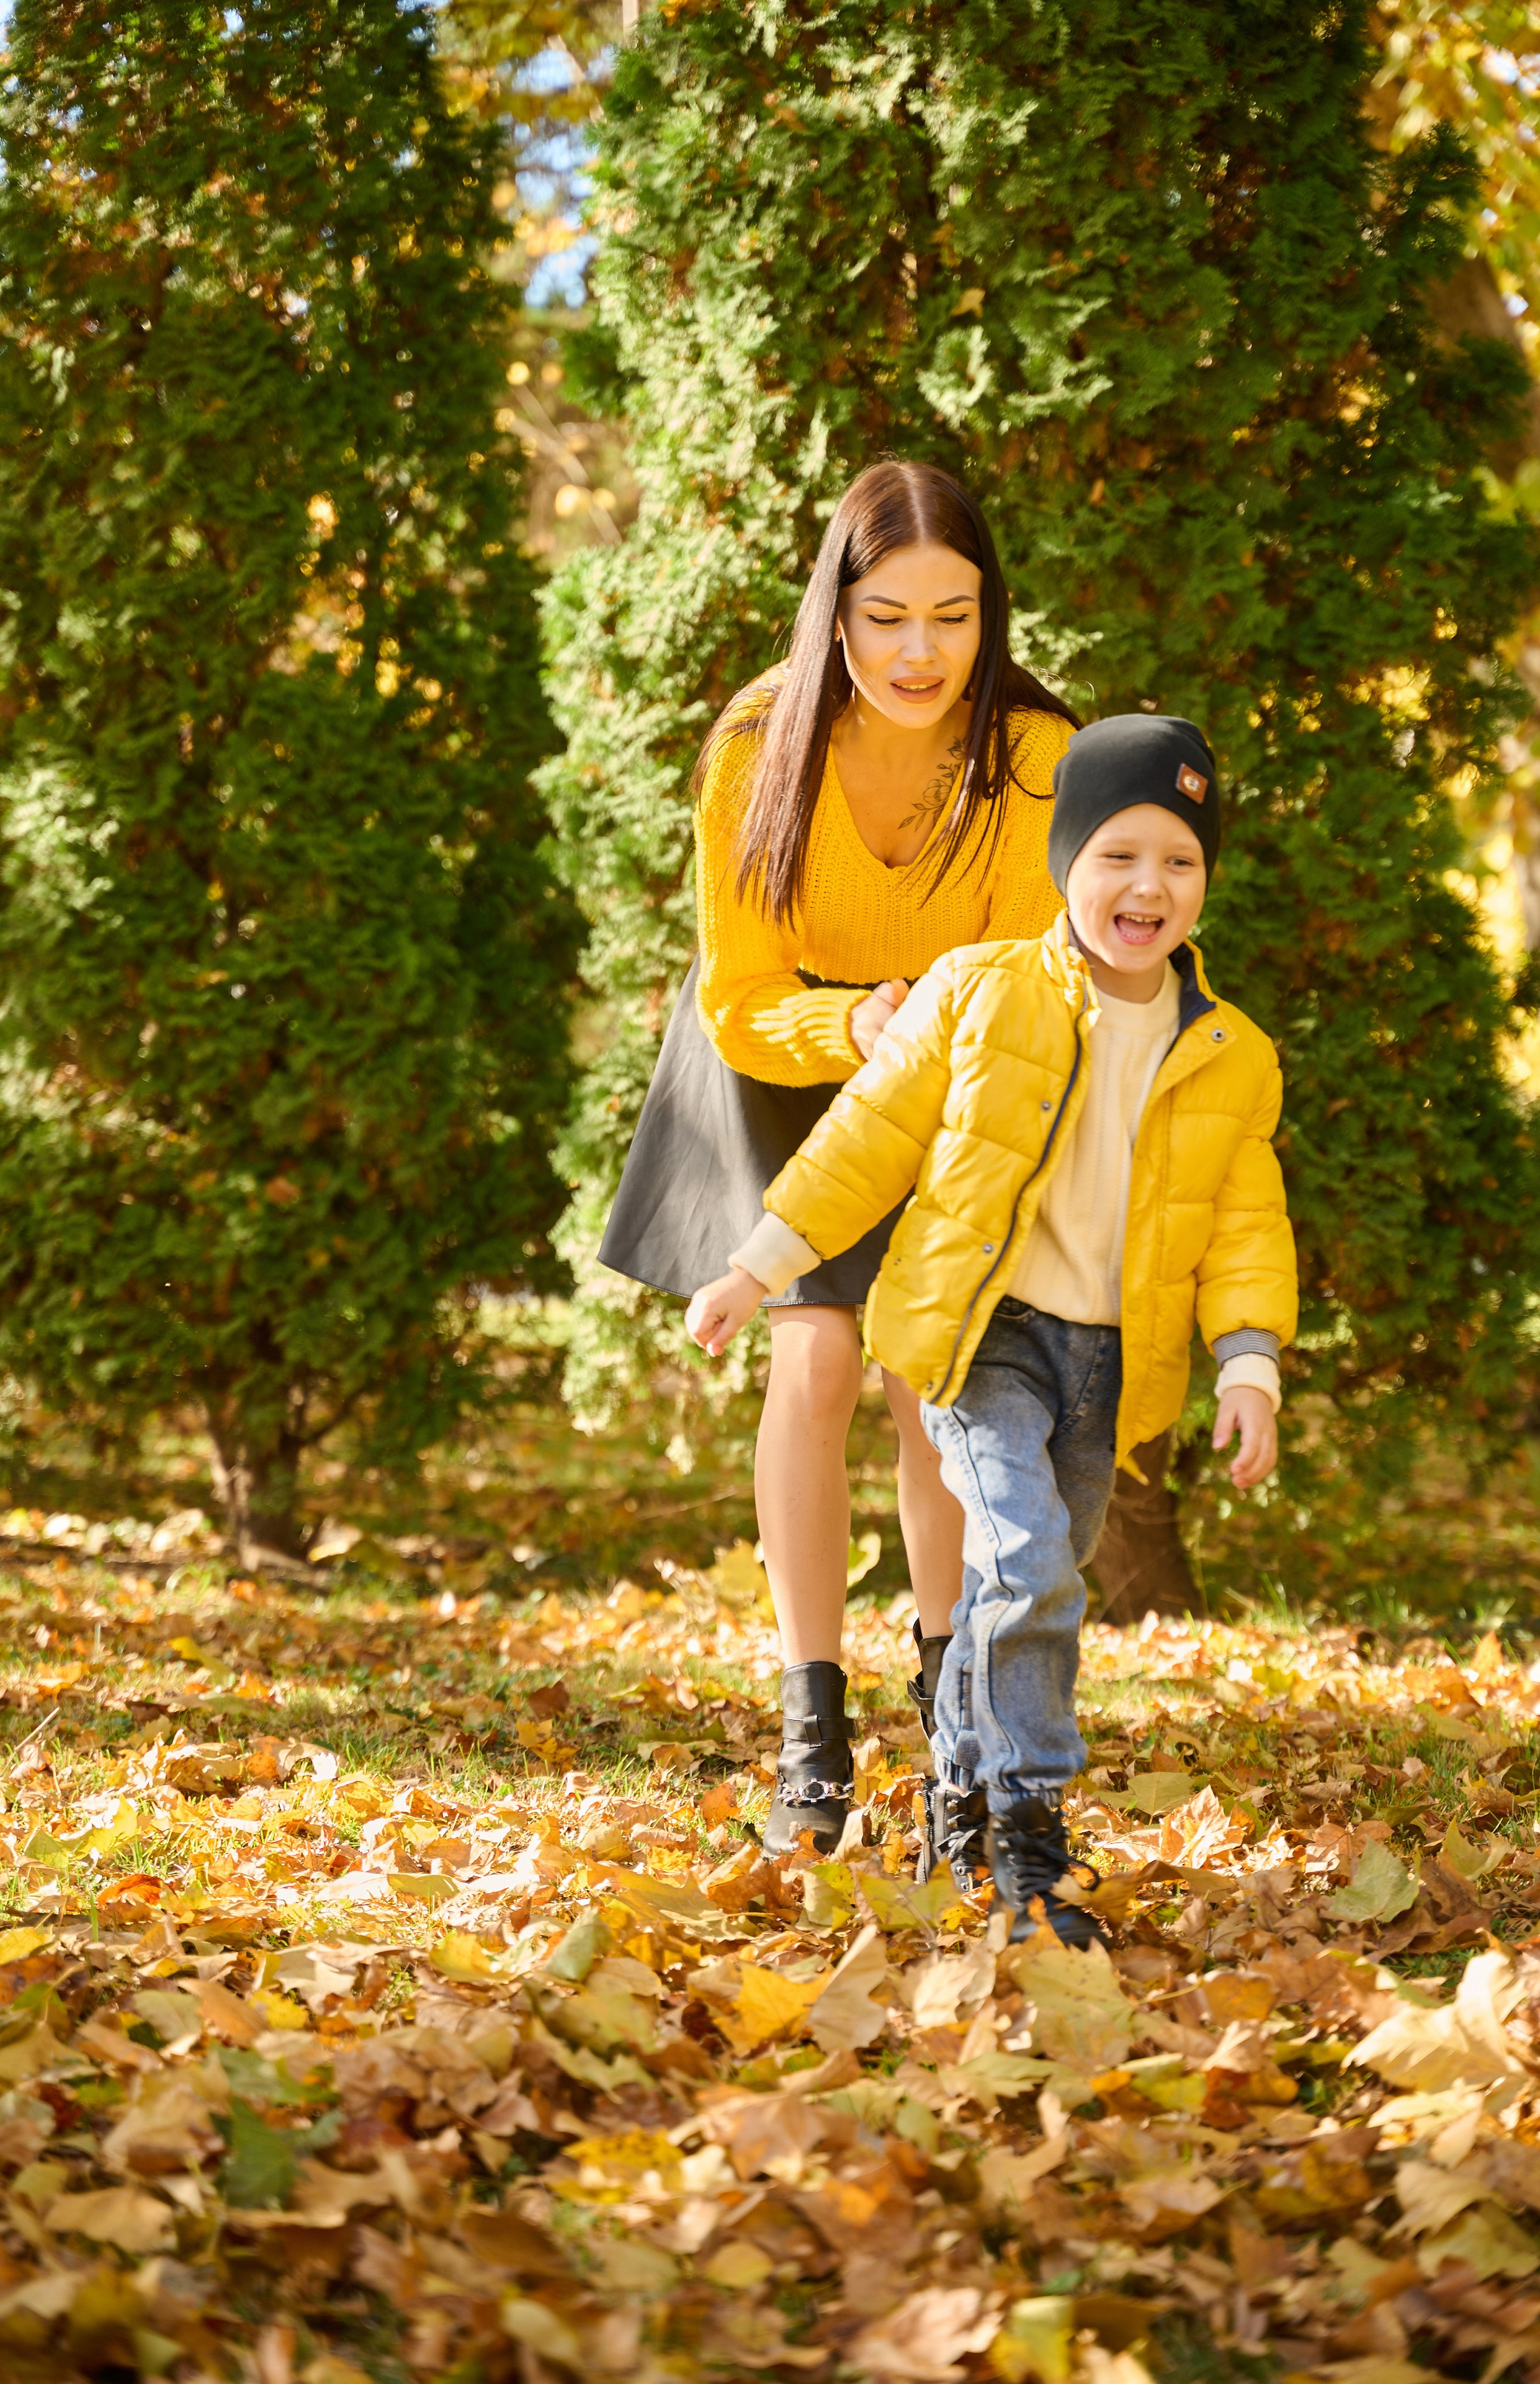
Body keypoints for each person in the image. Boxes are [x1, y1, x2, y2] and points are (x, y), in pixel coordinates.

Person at [684, 714, 1299, 1941]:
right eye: (1117, 853)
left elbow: (1244, 1222)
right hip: (979, 1342)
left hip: (1106, 1361)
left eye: (1178, 862)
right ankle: (1028, 1838)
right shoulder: (978, 993)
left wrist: (1248, 1367)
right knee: (1020, 1563)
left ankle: (956, 1782)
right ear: (1064, 860)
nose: (1146, 886)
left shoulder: (1228, 1053)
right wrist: (757, 1267)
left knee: (1029, 1575)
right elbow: (864, 1141)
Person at [599, 460, 1078, 1855]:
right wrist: (841, 1021)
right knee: (811, 1360)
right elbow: (735, 987)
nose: (919, 652)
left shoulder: (1032, 756)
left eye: (951, 616)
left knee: (919, 1371)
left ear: (989, 616)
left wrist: (913, 1037)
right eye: (883, 617)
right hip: (778, 1049)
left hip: (951, 1065)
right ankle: (812, 1723)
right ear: (835, 611)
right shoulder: (756, 743)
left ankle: (951, 1713)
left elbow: (1011, 973)